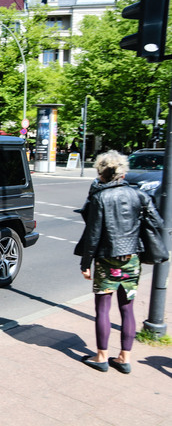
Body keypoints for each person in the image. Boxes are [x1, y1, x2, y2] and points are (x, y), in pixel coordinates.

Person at [75, 150, 158, 374]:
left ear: (101, 173)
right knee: (127, 308)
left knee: (103, 308)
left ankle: (101, 356)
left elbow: (93, 235)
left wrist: (85, 263)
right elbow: (156, 221)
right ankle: (124, 357)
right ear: (123, 173)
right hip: (132, 258)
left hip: (106, 259)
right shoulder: (138, 195)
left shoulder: (99, 197)